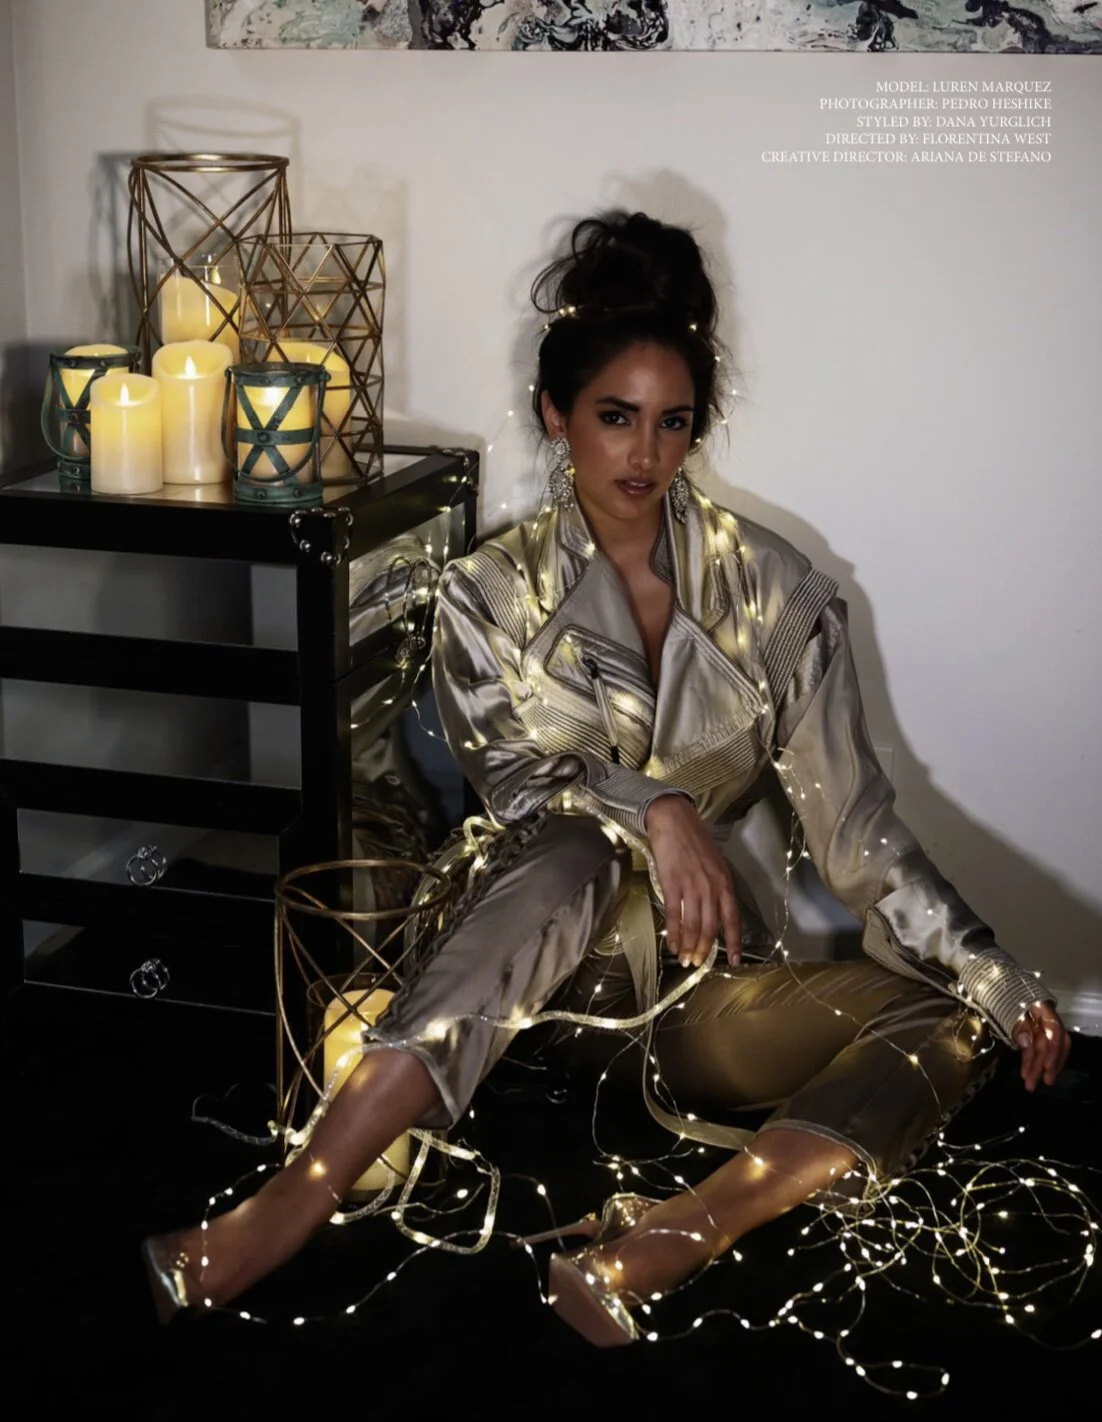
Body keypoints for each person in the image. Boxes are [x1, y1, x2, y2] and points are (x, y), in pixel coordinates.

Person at [143, 210, 1071, 1347]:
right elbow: (516, 781)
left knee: (945, 1017)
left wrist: (990, 971)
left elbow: (860, 835)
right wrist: (658, 807)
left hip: (689, 998)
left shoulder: (777, 595)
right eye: (615, 417)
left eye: (672, 423)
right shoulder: (488, 594)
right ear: (557, 414)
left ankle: (676, 1233)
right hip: (515, 993)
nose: (645, 455)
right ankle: (295, 1198)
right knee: (579, 843)